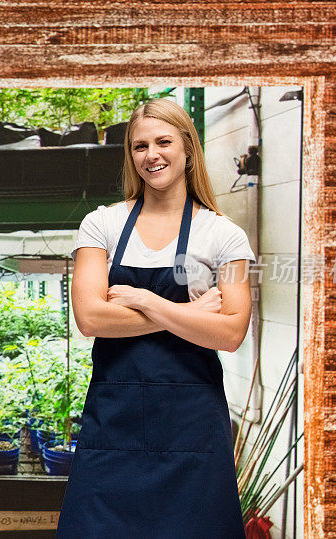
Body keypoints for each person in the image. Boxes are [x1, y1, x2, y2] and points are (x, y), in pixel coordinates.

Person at [56, 98, 253, 538]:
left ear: (187, 148)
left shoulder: (224, 234)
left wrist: (148, 301)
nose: (151, 155)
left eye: (163, 141)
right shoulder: (101, 224)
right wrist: (187, 315)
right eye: (139, 145)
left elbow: (232, 331)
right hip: (115, 424)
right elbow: (90, 317)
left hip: (193, 428)